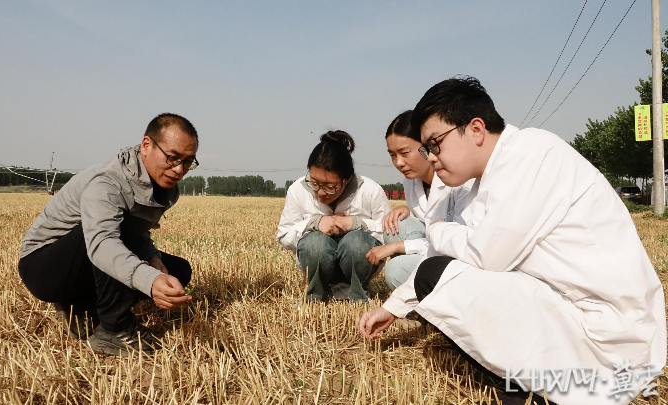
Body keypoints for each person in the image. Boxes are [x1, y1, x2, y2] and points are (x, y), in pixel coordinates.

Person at [359, 77, 666, 405]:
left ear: (476, 129)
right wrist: (393, 307)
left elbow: (485, 256)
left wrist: (436, 228)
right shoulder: (483, 179)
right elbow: (458, 253)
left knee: (435, 276)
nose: (431, 157)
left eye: (435, 144)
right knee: (436, 280)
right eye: (426, 149)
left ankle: (536, 391)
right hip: (565, 308)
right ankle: (527, 383)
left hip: (606, 332)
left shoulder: (530, 154)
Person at [19, 113, 198, 356]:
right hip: (45, 267)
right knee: (119, 235)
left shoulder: (161, 185)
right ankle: (114, 328)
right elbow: (103, 243)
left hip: (88, 257)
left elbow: (138, 233)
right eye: (172, 158)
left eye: (187, 162)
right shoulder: (108, 182)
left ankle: (83, 307)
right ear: (146, 145)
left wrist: (152, 257)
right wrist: (149, 280)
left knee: (178, 271)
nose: (179, 170)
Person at [277, 130, 392, 303]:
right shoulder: (297, 190)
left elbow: (389, 236)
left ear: (347, 179)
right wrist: (314, 223)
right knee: (315, 243)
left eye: (330, 186)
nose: (321, 192)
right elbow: (284, 235)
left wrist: (356, 223)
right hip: (317, 266)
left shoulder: (370, 190)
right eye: (314, 183)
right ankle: (316, 297)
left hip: (360, 265)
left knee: (356, 242)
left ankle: (358, 296)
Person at [365, 110, 473, 290]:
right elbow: (426, 225)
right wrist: (408, 211)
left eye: (405, 152)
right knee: (395, 224)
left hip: (456, 259)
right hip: (430, 247)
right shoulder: (410, 182)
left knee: (395, 270)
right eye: (392, 155)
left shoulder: (459, 181)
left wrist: (398, 246)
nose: (398, 162)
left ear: (426, 146)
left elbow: (457, 244)